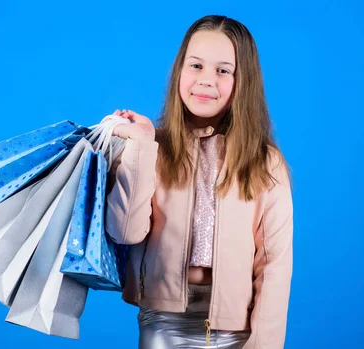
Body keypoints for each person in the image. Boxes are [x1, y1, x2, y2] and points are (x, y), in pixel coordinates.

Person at [105, 14, 294, 349]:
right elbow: (126, 232)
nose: (206, 80)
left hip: (236, 329)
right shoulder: (153, 148)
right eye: (196, 66)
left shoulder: (264, 161)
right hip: (163, 324)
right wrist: (140, 147)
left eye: (223, 70)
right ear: (179, 70)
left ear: (243, 82)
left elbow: (274, 266)